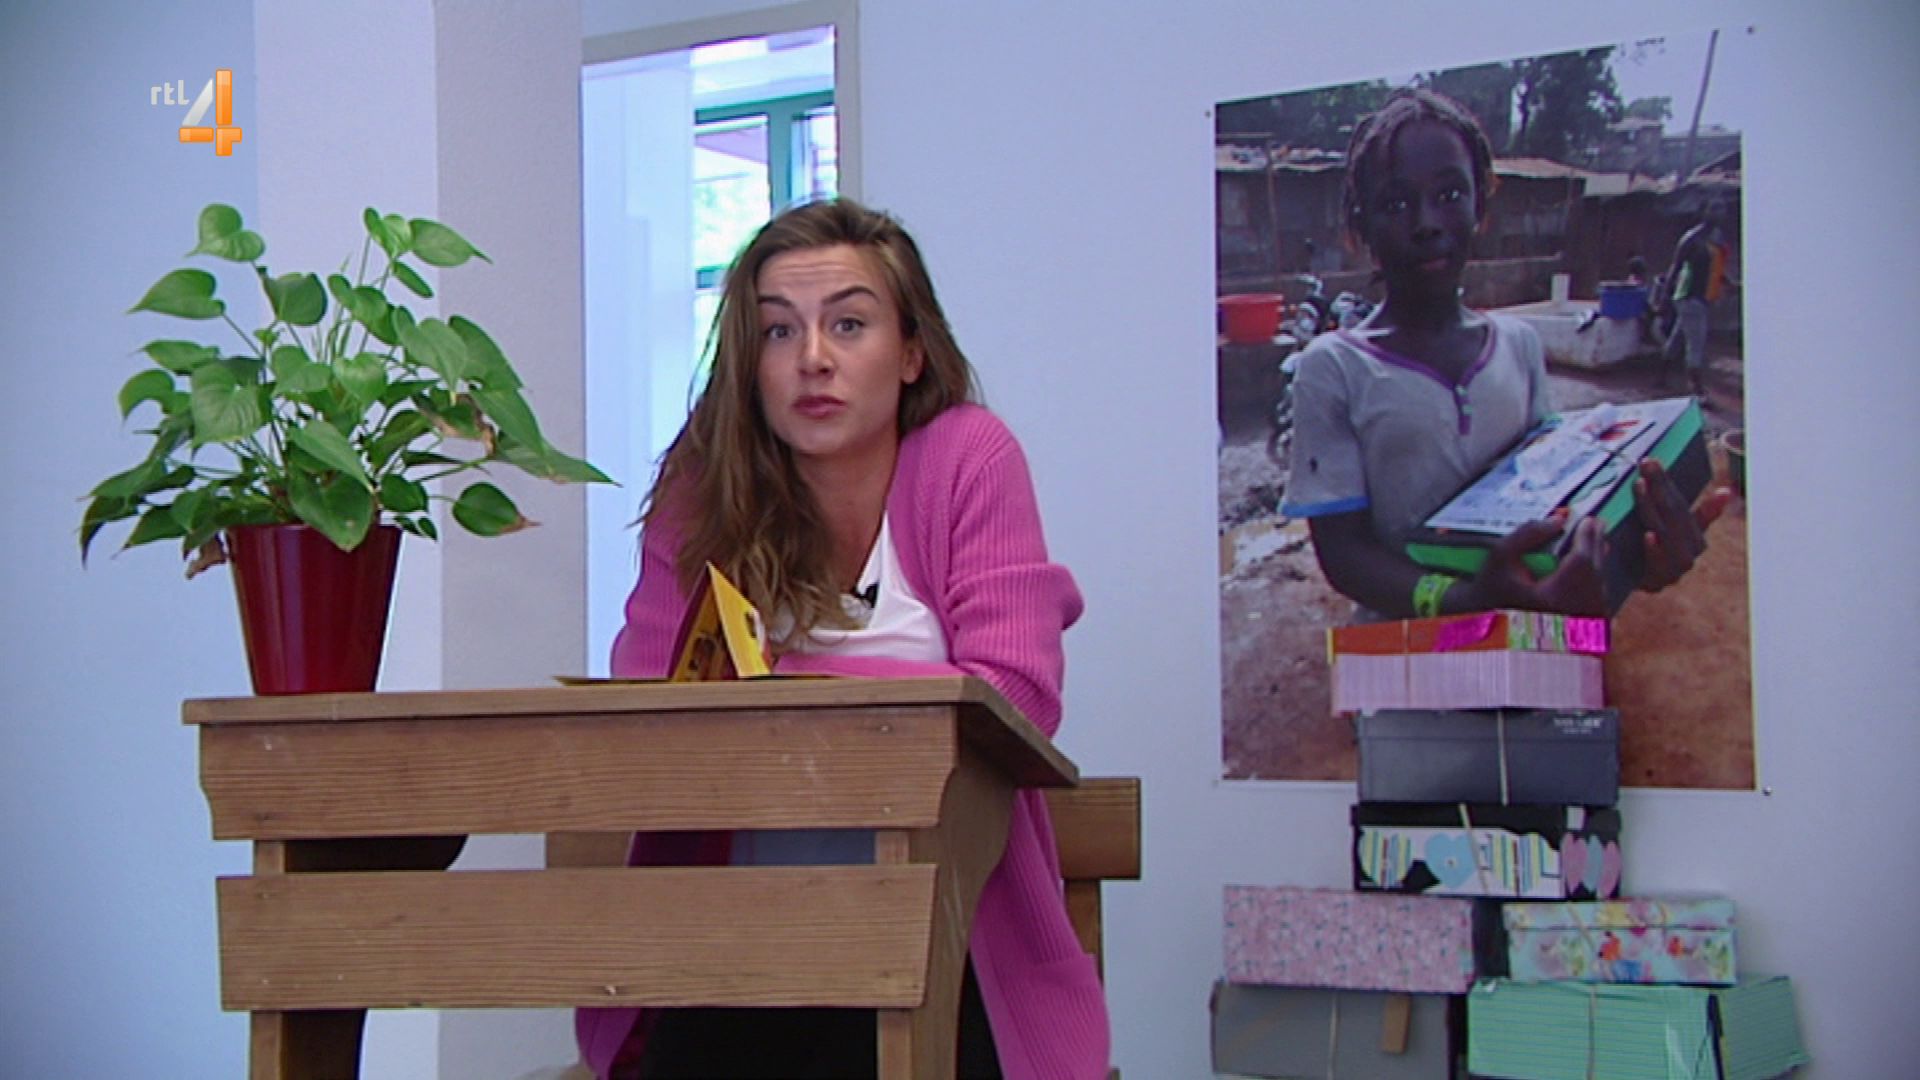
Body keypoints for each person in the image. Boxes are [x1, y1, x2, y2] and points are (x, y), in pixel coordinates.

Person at [574, 198, 1109, 1079]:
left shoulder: (969, 455)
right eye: (778, 332)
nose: (812, 358)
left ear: (911, 352)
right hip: (733, 949)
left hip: (948, 944)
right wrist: (878, 697)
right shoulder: (704, 482)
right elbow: (649, 699)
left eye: (849, 325)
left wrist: (777, 687)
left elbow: (1015, 696)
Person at [1280, 88, 1729, 620]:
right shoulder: (1334, 366)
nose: (1426, 222)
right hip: (1406, 650)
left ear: (1482, 208)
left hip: (1532, 636)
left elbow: (1548, 502)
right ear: (1361, 228)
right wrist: (1463, 601)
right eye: (1396, 204)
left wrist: (1631, 561)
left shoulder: (1518, 343)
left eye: (1450, 194)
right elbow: (1343, 554)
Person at [1662, 199, 1739, 397]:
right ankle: (1696, 390)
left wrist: (1729, 283)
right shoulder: (1691, 239)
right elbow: (1675, 268)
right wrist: (1664, 297)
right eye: (1714, 209)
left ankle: (1661, 377)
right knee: (1696, 344)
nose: (1719, 213)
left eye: (1721, 209)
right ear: (1703, 212)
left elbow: (1715, 267)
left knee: (1677, 339)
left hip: (1703, 297)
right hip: (1689, 296)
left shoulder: (1716, 237)